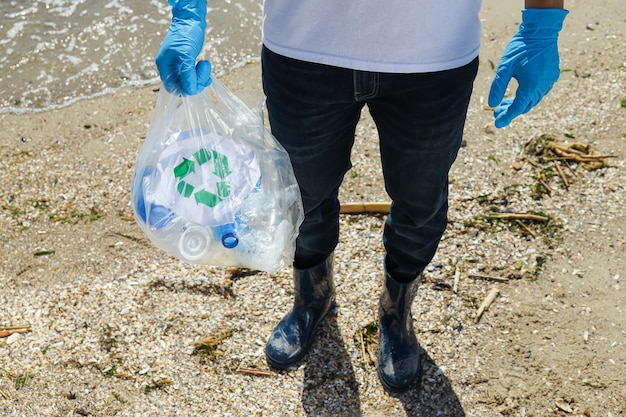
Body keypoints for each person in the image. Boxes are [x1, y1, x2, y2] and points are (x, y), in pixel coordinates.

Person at [156, 0, 568, 392]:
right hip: (303, 46)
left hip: (437, 53)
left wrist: (541, 25)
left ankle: (396, 311)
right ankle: (312, 297)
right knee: (301, 198)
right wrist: (187, 13)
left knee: (421, 202)